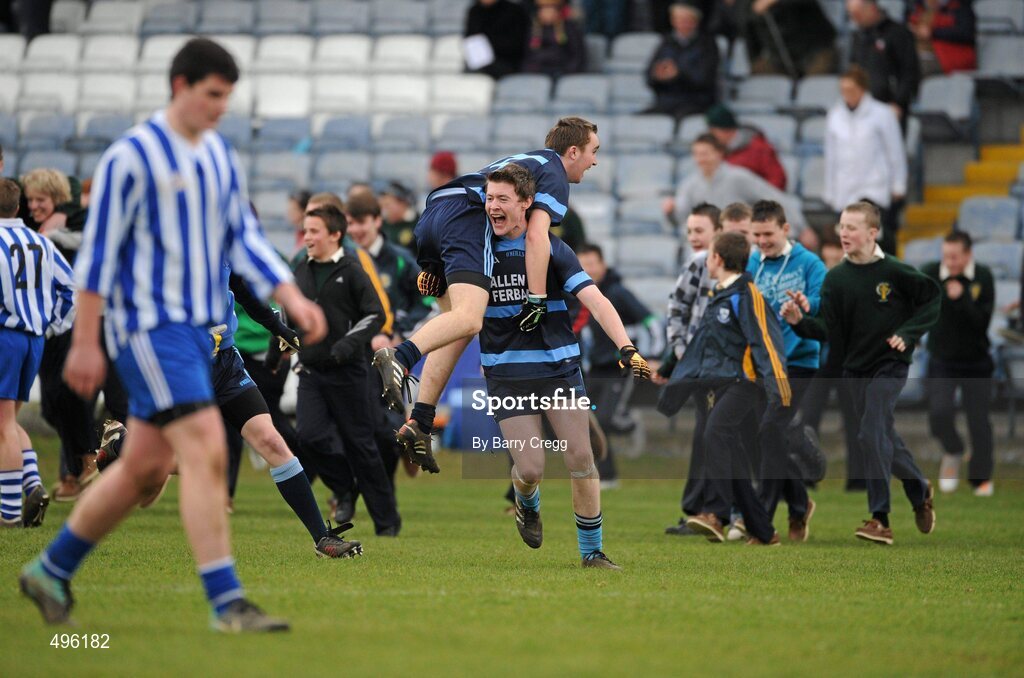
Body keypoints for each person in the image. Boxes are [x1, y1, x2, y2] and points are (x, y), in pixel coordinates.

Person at [19, 38, 327, 632]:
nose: (220, 108)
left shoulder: (217, 156)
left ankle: (50, 569)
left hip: (205, 334)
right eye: (213, 95)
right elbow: (100, 257)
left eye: (227, 98)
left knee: (143, 470)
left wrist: (289, 296)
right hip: (152, 329)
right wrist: (85, 341)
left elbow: (241, 238)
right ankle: (226, 602)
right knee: (208, 447)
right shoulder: (131, 158)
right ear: (180, 87)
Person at [372, 117, 600, 474]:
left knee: (456, 327)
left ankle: (420, 419)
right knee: (470, 318)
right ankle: (399, 357)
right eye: (593, 152)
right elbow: (537, 237)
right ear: (573, 151)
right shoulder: (554, 172)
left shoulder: (530, 162)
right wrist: (537, 298)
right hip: (465, 215)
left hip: (436, 211)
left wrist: (436, 271)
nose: (594, 161)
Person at [95, 269, 363, 559]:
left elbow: (242, 286)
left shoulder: (221, 235)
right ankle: (121, 445)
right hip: (184, 366)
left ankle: (322, 538)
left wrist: (278, 327)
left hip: (225, 363)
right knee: (183, 458)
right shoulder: (168, 243)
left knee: (271, 441)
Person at [477, 163, 650, 569]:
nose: (493, 206)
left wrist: (626, 346)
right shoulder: (477, 249)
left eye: (503, 199)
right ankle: (526, 502)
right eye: (488, 198)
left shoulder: (553, 249)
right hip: (506, 373)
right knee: (532, 467)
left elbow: (597, 299)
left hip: (557, 369)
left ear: (526, 204)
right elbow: (457, 310)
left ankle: (593, 553)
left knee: (579, 459)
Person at [782, 201, 939, 545]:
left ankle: (880, 519)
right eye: (841, 226)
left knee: (869, 433)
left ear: (872, 232)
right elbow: (829, 330)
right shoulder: (836, 278)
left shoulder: (896, 272)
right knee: (881, 435)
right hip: (854, 370)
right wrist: (801, 323)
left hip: (890, 365)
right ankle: (918, 486)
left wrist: (909, 333)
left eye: (852, 227)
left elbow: (932, 299)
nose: (844, 233)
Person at [660, 231, 790, 546]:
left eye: (709, 255)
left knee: (714, 433)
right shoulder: (720, 295)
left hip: (744, 384)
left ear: (717, 258)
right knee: (731, 454)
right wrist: (669, 372)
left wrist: (779, 390)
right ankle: (763, 530)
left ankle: (715, 513)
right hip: (721, 386)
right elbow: (703, 346)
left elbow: (767, 343)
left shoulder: (746, 295)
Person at [293, 206, 402, 536]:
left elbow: (375, 315)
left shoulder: (352, 270)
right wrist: (276, 353)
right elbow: (289, 314)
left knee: (362, 447)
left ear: (334, 234)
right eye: (306, 231)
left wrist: (346, 345)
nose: (307, 237)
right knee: (308, 437)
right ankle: (344, 485)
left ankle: (387, 524)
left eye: (314, 231)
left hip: (349, 373)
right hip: (310, 372)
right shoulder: (300, 270)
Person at [747, 200, 826, 540]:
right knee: (769, 436)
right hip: (763, 365)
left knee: (767, 431)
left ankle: (762, 522)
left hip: (798, 363)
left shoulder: (810, 263)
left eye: (768, 234)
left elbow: (824, 305)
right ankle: (798, 502)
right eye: (757, 234)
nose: (762, 241)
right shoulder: (752, 261)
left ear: (785, 229)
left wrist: (807, 307)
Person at [0, 178, 74, 528]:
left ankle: (9, 514)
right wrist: (52, 324)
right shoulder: (39, 242)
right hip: (33, 338)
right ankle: (32, 486)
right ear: (18, 208)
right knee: (8, 421)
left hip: (5, 335)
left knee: (1, 425)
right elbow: (70, 286)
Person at [656, 203, 721, 536]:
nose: (694, 237)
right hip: (700, 367)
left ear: (718, 232)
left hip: (717, 367)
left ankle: (712, 509)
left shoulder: (716, 265)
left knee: (712, 436)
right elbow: (678, 311)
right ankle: (703, 510)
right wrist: (680, 354)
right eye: (690, 232)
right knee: (706, 435)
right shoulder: (698, 264)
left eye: (700, 231)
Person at [575, 243, 657, 487]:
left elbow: (651, 321)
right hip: (593, 369)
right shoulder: (577, 295)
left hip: (618, 367)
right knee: (589, 422)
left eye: (592, 263)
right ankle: (607, 476)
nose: (588, 269)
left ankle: (629, 421)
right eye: (582, 265)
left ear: (603, 264)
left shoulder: (618, 293)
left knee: (605, 418)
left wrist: (650, 355)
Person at [921, 231, 995, 496]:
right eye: (946, 256)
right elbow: (918, 305)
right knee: (938, 414)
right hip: (942, 360)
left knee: (978, 421)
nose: (949, 262)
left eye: (955, 257)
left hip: (976, 360)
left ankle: (981, 478)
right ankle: (953, 450)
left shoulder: (983, 276)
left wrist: (962, 298)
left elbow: (981, 323)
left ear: (967, 255)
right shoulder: (930, 273)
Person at [824, 67, 906, 255]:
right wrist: (830, 191)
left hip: (874, 186)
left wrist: (898, 184)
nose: (847, 95)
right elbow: (831, 156)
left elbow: (895, 150)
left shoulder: (882, 113)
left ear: (862, 89)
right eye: (843, 91)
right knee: (849, 240)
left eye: (851, 90)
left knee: (878, 238)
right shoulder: (835, 116)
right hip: (845, 188)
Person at [665, 134, 810, 239]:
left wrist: (802, 228)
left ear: (719, 153)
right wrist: (670, 212)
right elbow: (681, 219)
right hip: (710, 252)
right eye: (697, 154)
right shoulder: (689, 185)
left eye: (705, 154)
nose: (701, 159)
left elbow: (773, 197)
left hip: (743, 247)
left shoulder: (738, 177)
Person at [847, 0, 921, 124]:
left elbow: (910, 72)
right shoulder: (858, 37)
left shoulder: (897, 33)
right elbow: (854, 70)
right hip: (863, 108)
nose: (854, 19)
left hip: (891, 107)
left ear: (872, 9)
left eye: (857, 14)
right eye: (851, 15)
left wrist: (899, 102)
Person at [645, 3, 720, 120]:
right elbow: (649, 76)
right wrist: (656, 76)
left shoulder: (707, 44)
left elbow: (706, 79)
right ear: (672, 21)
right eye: (679, 20)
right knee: (641, 120)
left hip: (697, 102)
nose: (683, 24)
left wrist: (679, 75)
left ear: (696, 22)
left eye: (687, 20)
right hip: (666, 102)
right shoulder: (665, 42)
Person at [744, 0, 838, 77]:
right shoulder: (751, 4)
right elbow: (748, 29)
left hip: (816, 50)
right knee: (759, 69)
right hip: (779, 57)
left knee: (815, 84)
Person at [706, 104, 787, 191]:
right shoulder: (716, 150)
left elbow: (778, 179)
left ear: (726, 130)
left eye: (713, 131)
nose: (711, 135)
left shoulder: (759, 148)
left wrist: (759, 199)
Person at [908, 0, 977, 76]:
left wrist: (933, 32)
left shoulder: (960, 7)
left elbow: (966, 33)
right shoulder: (919, 8)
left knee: (914, 68)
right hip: (921, 53)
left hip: (950, 57)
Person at [464, 0, 531, 79]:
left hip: (507, 62)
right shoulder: (475, 11)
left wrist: (490, 46)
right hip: (480, 61)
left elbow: (518, 43)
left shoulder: (514, 11)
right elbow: (470, 38)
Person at [522, 0, 587, 78]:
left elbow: (577, 56)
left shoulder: (569, 29)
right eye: (543, 9)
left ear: (558, 11)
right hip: (537, 73)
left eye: (550, 9)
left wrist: (567, 71)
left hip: (561, 71)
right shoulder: (534, 30)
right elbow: (528, 55)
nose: (547, 13)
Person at [379, 181, 419, 253]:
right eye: (382, 206)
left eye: (387, 205)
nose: (384, 211)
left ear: (402, 203)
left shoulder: (420, 223)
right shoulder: (381, 224)